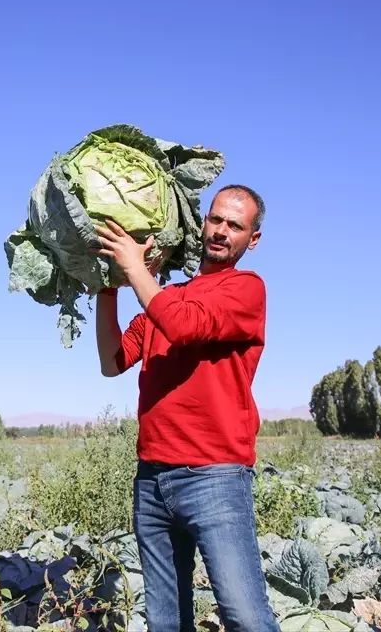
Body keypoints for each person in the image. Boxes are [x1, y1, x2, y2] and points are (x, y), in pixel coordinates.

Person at [94, 184, 278, 632]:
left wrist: (137, 270)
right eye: (215, 219)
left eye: (235, 225)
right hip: (152, 479)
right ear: (203, 222)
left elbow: (183, 326)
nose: (221, 231)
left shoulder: (245, 290)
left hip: (214, 477)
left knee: (245, 616)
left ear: (251, 239)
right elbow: (111, 361)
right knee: (166, 620)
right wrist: (107, 288)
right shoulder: (166, 295)